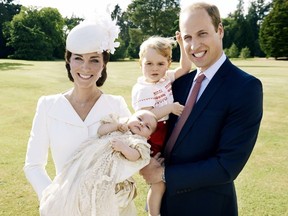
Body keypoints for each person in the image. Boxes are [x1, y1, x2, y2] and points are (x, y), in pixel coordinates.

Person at [140, 2, 263, 216]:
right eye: (187, 37)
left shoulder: (245, 87)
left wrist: (163, 174)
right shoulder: (178, 83)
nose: (194, 45)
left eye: (202, 34)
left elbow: (227, 165)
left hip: (207, 206)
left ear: (220, 31)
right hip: (164, 205)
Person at [23, 15, 136, 215]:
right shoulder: (48, 106)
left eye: (94, 60)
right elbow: (33, 165)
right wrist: (52, 199)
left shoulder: (116, 104)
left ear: (103, 65)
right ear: (68, 61)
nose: (85, 67)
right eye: (78, 58)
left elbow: (133, 156)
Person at [39, 110, 158, 216]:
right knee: (78, 182)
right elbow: (101, 131)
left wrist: (123, 148)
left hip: (107, 169)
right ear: (130, 117)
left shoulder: (139, 142)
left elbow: (135, 156)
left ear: (148, 136)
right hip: (91, 160)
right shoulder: (119, 125)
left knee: (97, 189)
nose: (142, 124)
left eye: (147, 126)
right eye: (139, 119)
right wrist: (116, 126)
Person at [131, 34, 192, 216]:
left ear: (168, 63)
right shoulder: (143, 89)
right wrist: (170, 108)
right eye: (148, 63)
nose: (155, 68)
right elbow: (147, 117)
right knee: (158, 182)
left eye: (160, 63)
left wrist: (181, 44)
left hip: (166, 132)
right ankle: (154, 214)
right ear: (140, 63)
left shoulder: (166, 78)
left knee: (168, 177)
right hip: (152, 136)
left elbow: (186, 67)